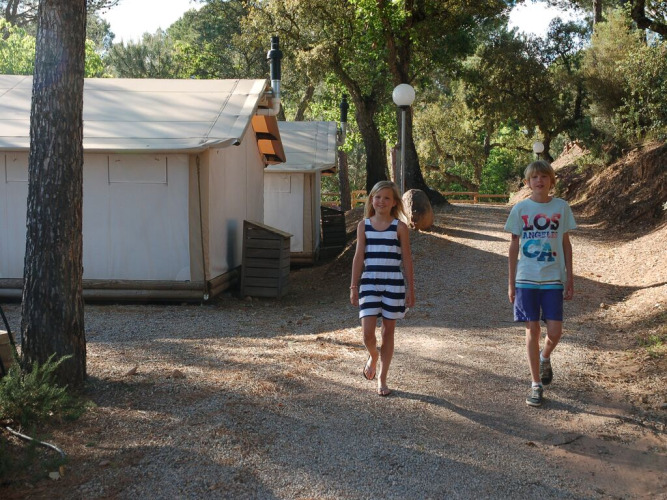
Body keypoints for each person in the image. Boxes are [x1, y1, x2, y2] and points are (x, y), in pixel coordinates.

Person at [505, 160, 576, 407]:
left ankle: (545, 357)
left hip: (553, 279)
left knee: (555, 332)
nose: (539, 181)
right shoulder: (520, 209)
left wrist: (569, 277)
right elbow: (513, 246)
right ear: (527, 183)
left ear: (551, 181)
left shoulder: (562, 207)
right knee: (532, 330)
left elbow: (566, 244)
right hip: (526, 278)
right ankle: (535, 385)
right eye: (534, 177)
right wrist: (511, 282)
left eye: (544, 177)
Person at [350, 180, 415, 397]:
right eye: (378, 197)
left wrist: (411, 289)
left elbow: (407, 259)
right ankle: (373, 356)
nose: (381, 201)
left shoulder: (400, 228)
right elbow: (359, 256)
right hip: (369, 282)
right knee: (368, 334)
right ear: (372, 199)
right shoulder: (364, 226)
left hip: (394, 283)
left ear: (394, 202)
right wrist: (353, 286)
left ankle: (383, 378)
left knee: (388, 332)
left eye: (387, 198)